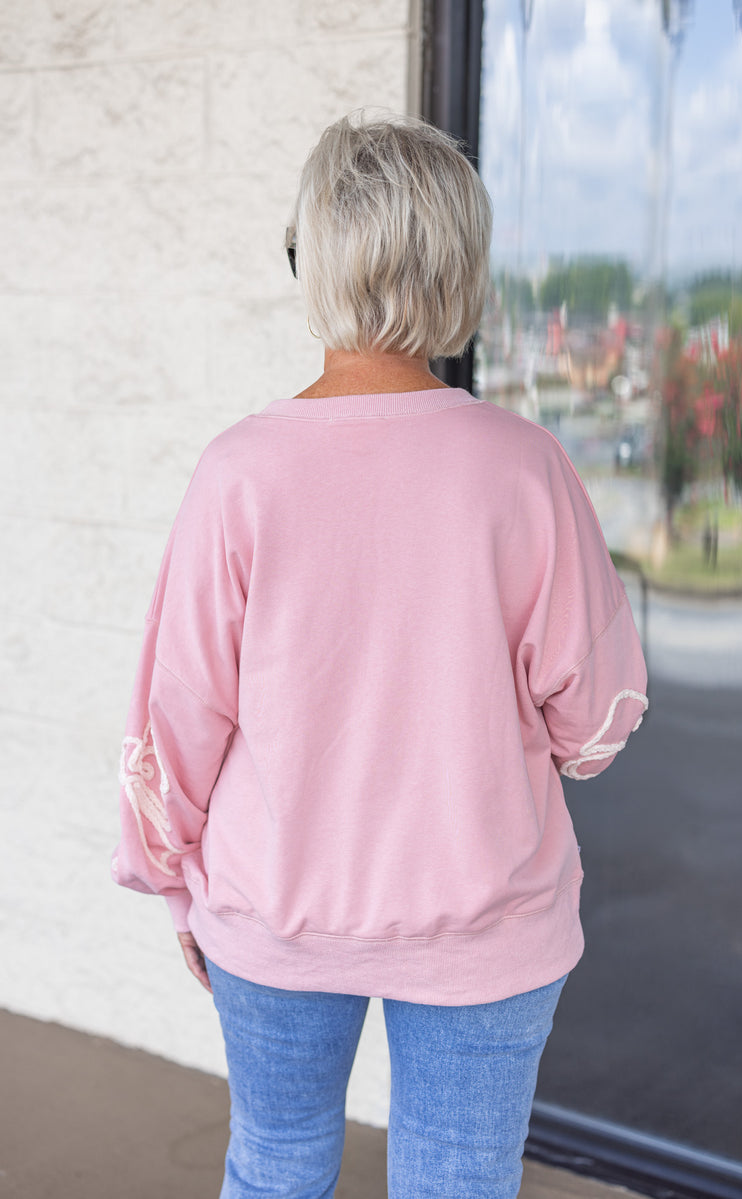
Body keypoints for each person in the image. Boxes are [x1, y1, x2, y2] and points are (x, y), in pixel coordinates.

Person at [112, 112, 648, 1199]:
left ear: (316, 258)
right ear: (458, 267)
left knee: (273, 1164)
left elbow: (177, 721)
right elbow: (593, 723)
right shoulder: (524, 469)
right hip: (485, 919)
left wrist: (174, 884)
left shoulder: (239, 473)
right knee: (458, 1182)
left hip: (273, 913)